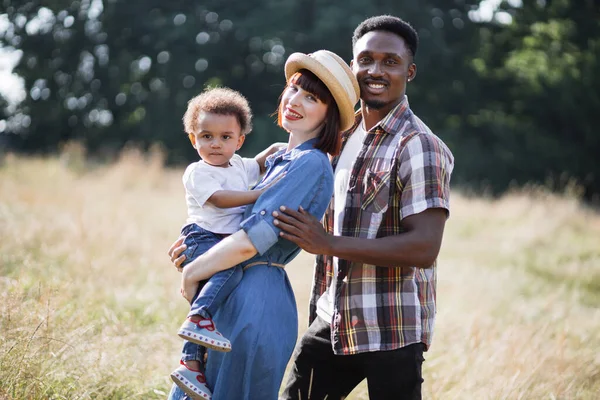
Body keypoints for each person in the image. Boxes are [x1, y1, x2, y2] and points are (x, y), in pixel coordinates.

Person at [274, 15, 455, 400]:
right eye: (366, 60)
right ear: (351, 67)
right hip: (332, 317)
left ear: (410, 71)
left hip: (390, 330)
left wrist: (330, 243)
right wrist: (206, 237)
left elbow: (423, 247)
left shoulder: (418, 145)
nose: (376, 70)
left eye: (390, 61)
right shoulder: (341, 135)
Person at [167, 50, 360, 400]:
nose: (294, 100)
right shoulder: (278, 160)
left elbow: (250, 241)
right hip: (233, 291)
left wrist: (193, 271)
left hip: (257, 297)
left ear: (329, 114)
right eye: (293, 88)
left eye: (311, 97)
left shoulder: (310, 164)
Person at [170, 87, 285, 399]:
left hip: (222, 241)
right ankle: (198, 318)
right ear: (193, 139)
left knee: (224, 285)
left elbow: (264, 160)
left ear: (239, 140)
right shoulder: (197, 171)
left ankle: (190, 361)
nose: (215, 144)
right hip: (202, 239)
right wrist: (261, 194)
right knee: (230, 273)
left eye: (225, 137)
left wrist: (288, 147)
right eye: (206, 136)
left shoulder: (240, 166)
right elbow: (220, 201)